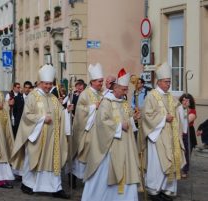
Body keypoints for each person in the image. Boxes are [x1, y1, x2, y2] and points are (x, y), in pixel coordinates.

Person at [11, 64, 73, 199]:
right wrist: (42, 118)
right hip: (37, 136)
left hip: (53, 138)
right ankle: (27, 184)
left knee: (52, 161)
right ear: (40, 82)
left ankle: (56, 188)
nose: (48, 86)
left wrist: (66, 111)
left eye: (50, 84)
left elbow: (59, 113)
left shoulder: (52, 97)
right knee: (33, 159)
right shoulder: (33, 96)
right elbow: (27, 115)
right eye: (45, 84)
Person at [81, 68, 140, 201]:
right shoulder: (106, 102)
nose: (126, 92)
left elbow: (127, 119)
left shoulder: (124, 103)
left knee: (126, 170)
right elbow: (102, 122)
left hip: (124, 145)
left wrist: (133, 118)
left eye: (127, 90)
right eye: (124, 89)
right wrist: (119, 126)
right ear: (116, 87)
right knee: (104, 174)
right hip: (109, 147)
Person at [142, 62, 186, 201]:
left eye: (170, 82)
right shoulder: (151, 96)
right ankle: (154, 190)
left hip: (171, 137)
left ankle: (168, 190)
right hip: (158, 137)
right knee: (158, 165)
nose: (169, 84)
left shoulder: (169, 96)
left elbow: (177, 108)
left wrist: (183, 107)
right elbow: (147, 116)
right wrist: (163, 118)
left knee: (171, 161)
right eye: (167, 82)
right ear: (159, 82)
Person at [71, 63, 104, 184]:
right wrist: (93, 107)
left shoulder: (101, 94)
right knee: (84, 154)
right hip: (87, 130)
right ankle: (77, 177)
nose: (101, 83)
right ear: (93, 81)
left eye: (102, 81)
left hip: (99, 130)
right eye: (100, 81)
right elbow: (79, 110)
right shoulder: (85, 94)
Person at [179, 93, 197, 178]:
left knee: (187, 152)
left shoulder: (192, 111)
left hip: (189, 132)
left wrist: (185, 109)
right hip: (180, 131)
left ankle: (185, 170)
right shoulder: (178, 109)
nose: (185, 101)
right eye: (183, 100)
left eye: (187, 100)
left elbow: (186, 121)